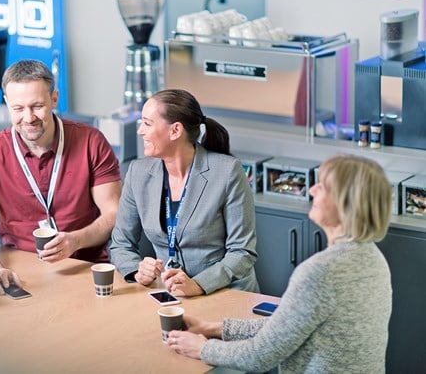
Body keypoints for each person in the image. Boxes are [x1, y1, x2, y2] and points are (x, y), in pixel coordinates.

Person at [168, 154, 393, 373]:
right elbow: (285, 327)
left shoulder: (320, 272)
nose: (312, 190)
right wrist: (213, 329)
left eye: (322, 187)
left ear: (345, 204)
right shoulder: (374, 259)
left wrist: (202, 348)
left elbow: (260, 356)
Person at [0, 59, 122, 295]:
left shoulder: (91, 142)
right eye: (18, 109)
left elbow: (114, 213)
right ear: (7, 103)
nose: (28, 118)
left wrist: (75, 241)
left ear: (54, 99)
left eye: (37, 106)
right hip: (20, 271)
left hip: (84, 267)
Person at [109, 89, 259, 297]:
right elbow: (120, 244)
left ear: (175, 131)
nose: (140, 131)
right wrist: (137, 270)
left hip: (224, 292)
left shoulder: (227, 172)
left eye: (147, 123)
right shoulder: (138, 173)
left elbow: (242, 252)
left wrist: (198, 284)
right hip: (169, 294)